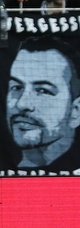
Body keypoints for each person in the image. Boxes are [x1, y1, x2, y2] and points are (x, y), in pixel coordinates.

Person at [6, 36, 80, 168]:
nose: (22, 104)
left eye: (43, 91)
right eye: (17, 88)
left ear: (76, 111)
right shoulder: (0, 171)